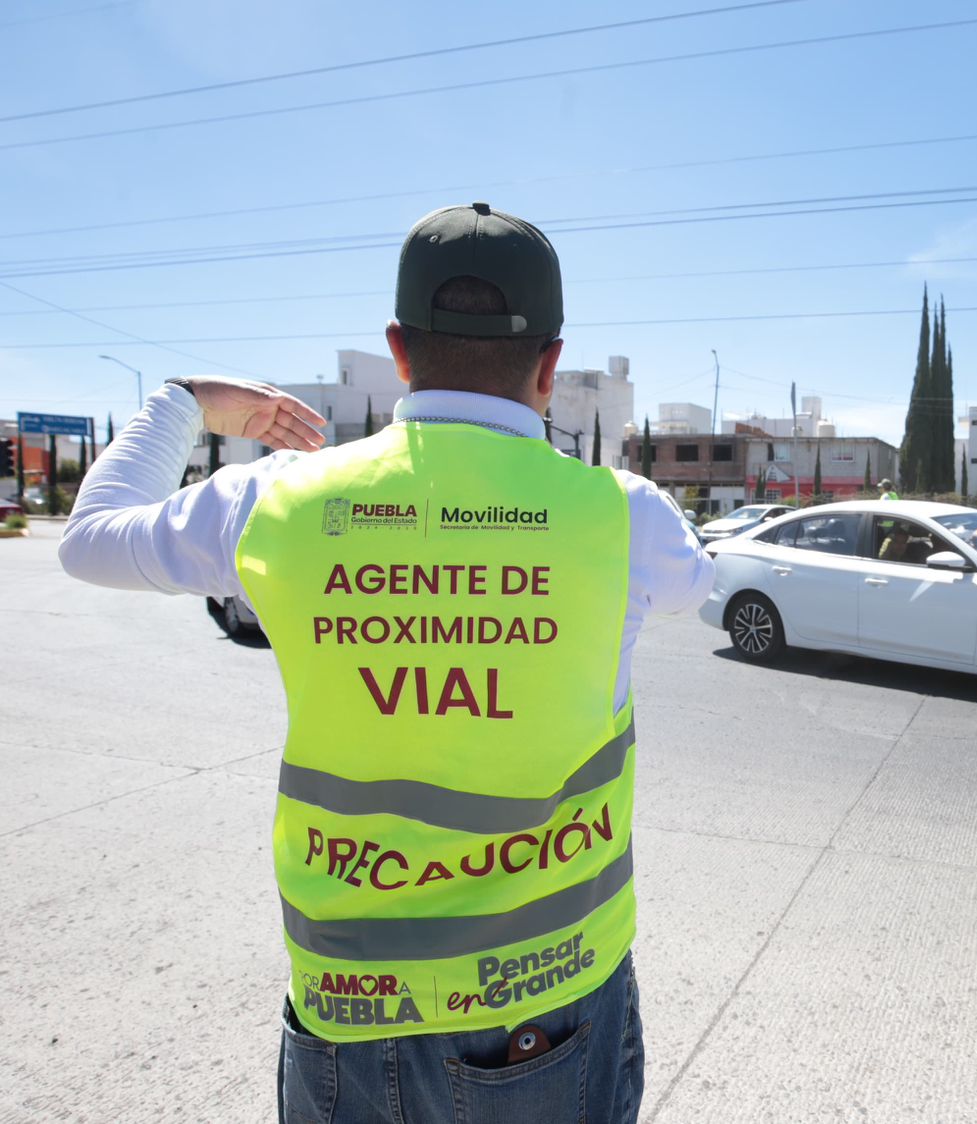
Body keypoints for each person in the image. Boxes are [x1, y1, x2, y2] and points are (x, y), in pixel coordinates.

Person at [58, 202, 713, 1124]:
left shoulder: (274, 501)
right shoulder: (623, 514)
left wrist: (185, 402)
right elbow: (698, 583)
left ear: (399, 352)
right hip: (548, 997)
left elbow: (87, 540)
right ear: (552, 365)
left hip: (349, 1001)